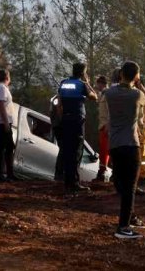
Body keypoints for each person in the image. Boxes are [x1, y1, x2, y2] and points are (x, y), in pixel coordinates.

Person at [103, 61, 145, 239]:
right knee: (130, 187)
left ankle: (129, 218)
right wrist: (141, 85)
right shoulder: (137, 95)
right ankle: (123, 227)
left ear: (121, 73)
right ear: (137, 76)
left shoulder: (108, 93)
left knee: (121, 183)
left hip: (115, 144)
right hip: (131, 144)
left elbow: (106, 92)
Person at [56, 62, 98, 194]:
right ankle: (74, 183)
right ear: (82, 73)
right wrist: (87, 83)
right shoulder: (81, 85)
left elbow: (59, 103)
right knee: (77, 152)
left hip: (65, 120)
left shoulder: (63, 83)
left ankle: (67, 181)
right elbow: (94, 97)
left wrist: (61, 118)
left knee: (67, 151)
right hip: (77, 121)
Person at [0, 69, 17, 181]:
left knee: (2, 147)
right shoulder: (1, 88)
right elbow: (1, 105)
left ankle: (3, 173)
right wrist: (5, 122)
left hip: (1, 121)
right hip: (2, 122)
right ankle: (3, 174)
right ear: (7, 77)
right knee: (7, 147)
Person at [95, 74, 111, 182]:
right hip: (102, 126)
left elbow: (111, 110)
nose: (97, 86)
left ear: (103, 84)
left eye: (99, 84)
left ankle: (103, 172)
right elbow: (96, 98)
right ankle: (102, 171)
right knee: (103, 150)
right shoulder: (102, 94)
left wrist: (108, 125)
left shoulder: (108, 94)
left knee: (106, 150)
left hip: (106, 126)